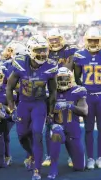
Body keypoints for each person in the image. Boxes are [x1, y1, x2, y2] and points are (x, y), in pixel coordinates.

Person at [6, 35, 58, 180]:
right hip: (23, 103)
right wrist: (12, 108)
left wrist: (51, 112)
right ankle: (32, 155)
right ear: (30, 50)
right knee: (22, 135)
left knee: (37, 134)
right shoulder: (20, 63)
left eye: (44, 50)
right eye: (38, 50)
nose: (42, 53)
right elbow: (9, 88)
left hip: (39, 104)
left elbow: (53, 91)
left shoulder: (51, 65)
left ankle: (37, 169)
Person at [73, 27, 101, 169]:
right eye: (90, 40)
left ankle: (100, 158)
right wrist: (85, 92)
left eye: (95, 40)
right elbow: (77, 78)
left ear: (100, 40)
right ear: (86, 41)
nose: (93, 43)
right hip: (88, 99)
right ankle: (90, 158)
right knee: (88, 129)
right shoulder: (80, 56)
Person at [42, 28, 78, 167]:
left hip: (67, 88)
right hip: (50, 90)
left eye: (56, 38)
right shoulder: (45, 51)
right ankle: (49, 155)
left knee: (70, 123)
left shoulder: (69, 50)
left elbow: (70, 68)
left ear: (61, 38)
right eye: (52, 39)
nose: (54, 41)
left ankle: (72, 156)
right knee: (49, 123)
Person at [47, 67, 88, 180]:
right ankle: (53, 168)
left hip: (73, 132)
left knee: (80, 167)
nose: (63, 81)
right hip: (58, 128)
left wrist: (69, 105)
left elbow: (85, 112)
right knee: (56, 133)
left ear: (71, 79)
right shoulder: (51, 93)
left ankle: (73, 156)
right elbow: (45, 115)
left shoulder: (78, 91)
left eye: (65, 78)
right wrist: (51, 124)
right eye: (60, 79)